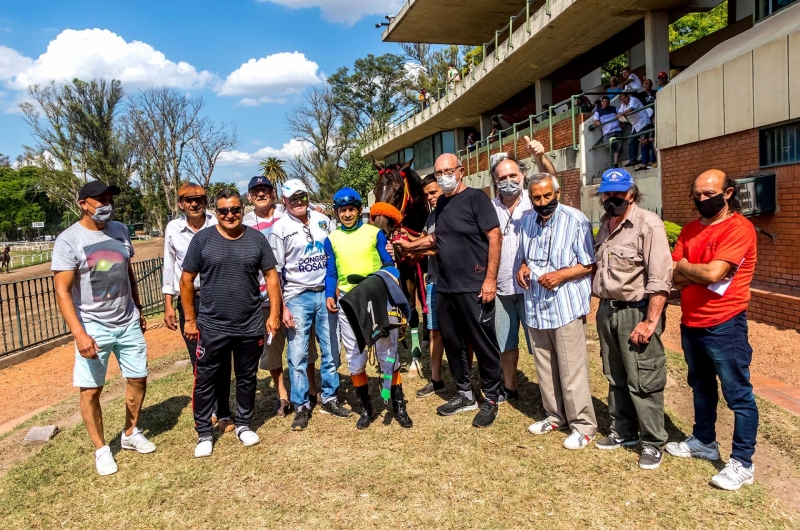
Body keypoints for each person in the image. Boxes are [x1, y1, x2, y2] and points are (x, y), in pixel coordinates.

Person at [52, 180, 154, 476]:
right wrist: (79, 333)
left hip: (128, 321)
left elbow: (128, 272)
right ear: (83, 203)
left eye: (109, 197)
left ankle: (130, 433)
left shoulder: (121, 230)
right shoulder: (69, 239)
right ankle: (101, 449)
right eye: (99, 199)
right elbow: (62, 291)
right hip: (93, 327)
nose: (106, 203)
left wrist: (138, 307)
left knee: (139, 377)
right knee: (91, 391)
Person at [666, 169, 759, 491]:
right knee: (701, 387)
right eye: (698, 194)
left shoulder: (739, 229)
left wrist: (688, 268)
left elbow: (715, 273)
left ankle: (742, 462)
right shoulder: (691, 229)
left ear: (728, 193)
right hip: (691, 322)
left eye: (709, 194)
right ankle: (704, 441)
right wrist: (696, 272)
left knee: (738, 396)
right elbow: (674, 276)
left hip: (725, 324)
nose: (702, 199)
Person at [394, 153, 503, 428]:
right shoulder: (440, 203)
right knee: (453, 344)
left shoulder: (477, 198)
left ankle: (491, 397)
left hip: (474, 285)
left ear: (460, 171)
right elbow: (436, 237)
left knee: (483, 342)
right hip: (444, 286)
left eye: (447, 171)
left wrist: (490, 280)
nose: (443, 176)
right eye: (439, 172)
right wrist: (409, 245)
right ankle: (465, 394)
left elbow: (494, 236)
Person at [181, 189, 281, 458]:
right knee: (206, 379)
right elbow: (187, 280)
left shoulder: (257, 240)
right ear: (217, 212)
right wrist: (190, 319)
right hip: (212, 325)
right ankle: (204, 432)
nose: (230, 215)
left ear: (242, 210)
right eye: (224, 211)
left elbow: (271, 276)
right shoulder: (202, 240)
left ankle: (244, 423)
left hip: (248, 323)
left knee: (247, 376)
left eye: (235, 210)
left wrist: (273, 315)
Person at [592, 168, 672, 469]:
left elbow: (660, 280)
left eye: (618, 193)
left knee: (644, 378)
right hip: (607, 310)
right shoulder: (605, 224)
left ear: (631, 193)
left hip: (636, 311)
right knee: (615, 376)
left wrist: (650, 322)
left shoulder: (648, 225)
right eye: (607, 193)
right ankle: (623, 431)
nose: (611, 199)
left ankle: (653, 441)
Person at [516, 173, 597, 449]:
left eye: (547, 196)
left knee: (571, 368)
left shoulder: (576, 220)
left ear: (558, 193)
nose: (542, 202)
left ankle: (583, 426)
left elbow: (588, 264)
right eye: (536, 197)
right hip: (536, 304)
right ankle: (554, 416)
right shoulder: (527, 221)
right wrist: (524, 267)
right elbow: (525, 258)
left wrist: (560, 276)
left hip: (565, 304)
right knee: (544, 365)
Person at [325, 188, 411, 429]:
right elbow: (331, 272)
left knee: (387, 353)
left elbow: (389, 264)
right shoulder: (331, 239)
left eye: (352, 209)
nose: (348, 214)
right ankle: (366, 408)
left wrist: (388, 280)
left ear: (359, 210)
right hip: (348, 302)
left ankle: (398, 405)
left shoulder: (374, 234)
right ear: (337, 213)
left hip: (376, 298)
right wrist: (329, 294)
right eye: (343, 210)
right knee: (354, 355)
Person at [269, 180, 351, 430]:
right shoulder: (279, 228)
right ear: (284, 200)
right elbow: (276, 271)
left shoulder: (322, 220)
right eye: (293, 198)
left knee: (331, 349)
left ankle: (330, 397)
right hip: (297, 296)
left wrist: (334, 287)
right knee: (298, 354)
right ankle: (301, 404)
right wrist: (283, 307)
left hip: (325, 294)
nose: (298, 202)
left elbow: (335, 253)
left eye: (302, 197)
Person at [243, 176, 318, 417]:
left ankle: (312, 389)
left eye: (265, 189)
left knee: (304, 345)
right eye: (256, 191)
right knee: (273, 348)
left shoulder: (288, 209)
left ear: (275, 194)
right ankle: (283, 395)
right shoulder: (244, 221)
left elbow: (314, 211)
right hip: (263, 297)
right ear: (249, 196)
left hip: (295, 293)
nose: (261, 193)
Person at [162, 182, 233, 432]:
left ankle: (223, 412)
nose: (194, 203)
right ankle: (208, 410)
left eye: (199, 199)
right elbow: (170, 268)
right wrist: (169, 304)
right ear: (180, 203)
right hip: (190, 299)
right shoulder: (173, 228)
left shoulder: (219, 221)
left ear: (206, 201)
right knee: (200, 359)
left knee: (223, 358)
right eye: (188, 199)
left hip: (219, 296)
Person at [491, 137, 555, 403]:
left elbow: (552, 181)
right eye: (502, 177)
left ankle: (550, 393)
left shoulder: (534, 201)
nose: (508, 181)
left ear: (523, 175)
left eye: (512, 175)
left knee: (540, 345)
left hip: (532, 290)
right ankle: (510, 387)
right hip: (501, 288)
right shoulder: (488, 207)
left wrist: (541, 157)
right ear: (495, 181)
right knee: (505, 343)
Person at [415, 175, 446, 398]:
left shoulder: (456, 212)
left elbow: (445, 246)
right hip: (434, 282)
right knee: (434, 332)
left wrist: (410, 247)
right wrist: (404, 241)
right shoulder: (431, 216)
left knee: (466, 334)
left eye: (433, 193)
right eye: (427, 195)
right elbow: (423, 239)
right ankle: (436, 380)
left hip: (457, 283)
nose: (430, 198)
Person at [617, 92, 654, 171]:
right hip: (635, 124)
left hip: (642, 122)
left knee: (643, 142)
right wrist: (620, 114)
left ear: (628, 96)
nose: (624, 101)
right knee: (632, 141)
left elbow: (630, 109)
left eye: (624, 98)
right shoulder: (623, 105)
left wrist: (621, 114)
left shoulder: (634, 100)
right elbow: (619, 112)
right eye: (622, 100)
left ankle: (645, 162)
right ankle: (632, 160)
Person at [593, 96, 623, 167]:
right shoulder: (598, 111)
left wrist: (622, 124)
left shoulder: (614, 108)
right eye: (604, 101)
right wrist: (597, 123)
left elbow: (621, 115)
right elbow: (595, 120)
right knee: (608, 146)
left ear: (609, 102)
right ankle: (612, 163)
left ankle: (615, 163)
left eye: (607, 101)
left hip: (617, 130)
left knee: (618, 147)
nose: (606, 103)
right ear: (601, 102)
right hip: (607, 132)